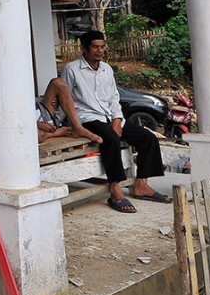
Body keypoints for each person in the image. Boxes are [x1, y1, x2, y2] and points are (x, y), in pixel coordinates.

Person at [60, 30, 169, 213]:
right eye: (95, 47)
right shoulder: (72, 70)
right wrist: (59, 123)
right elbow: (64, 97)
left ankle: (142, 185)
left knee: (147, 137)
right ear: (84, 48)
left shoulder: (106, 70)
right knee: (110, 138)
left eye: (102, 47)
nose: (100, 51)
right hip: (87, 117)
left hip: (110, 116)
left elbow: (113, 98)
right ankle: (115, 189)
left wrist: (117, 119)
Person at [36, 78, 103, 144]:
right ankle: (56, 132)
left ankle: (78, 128)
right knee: (34, 135)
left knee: (57, 83)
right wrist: (35, 124)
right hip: (35, 129)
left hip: (38, 112)